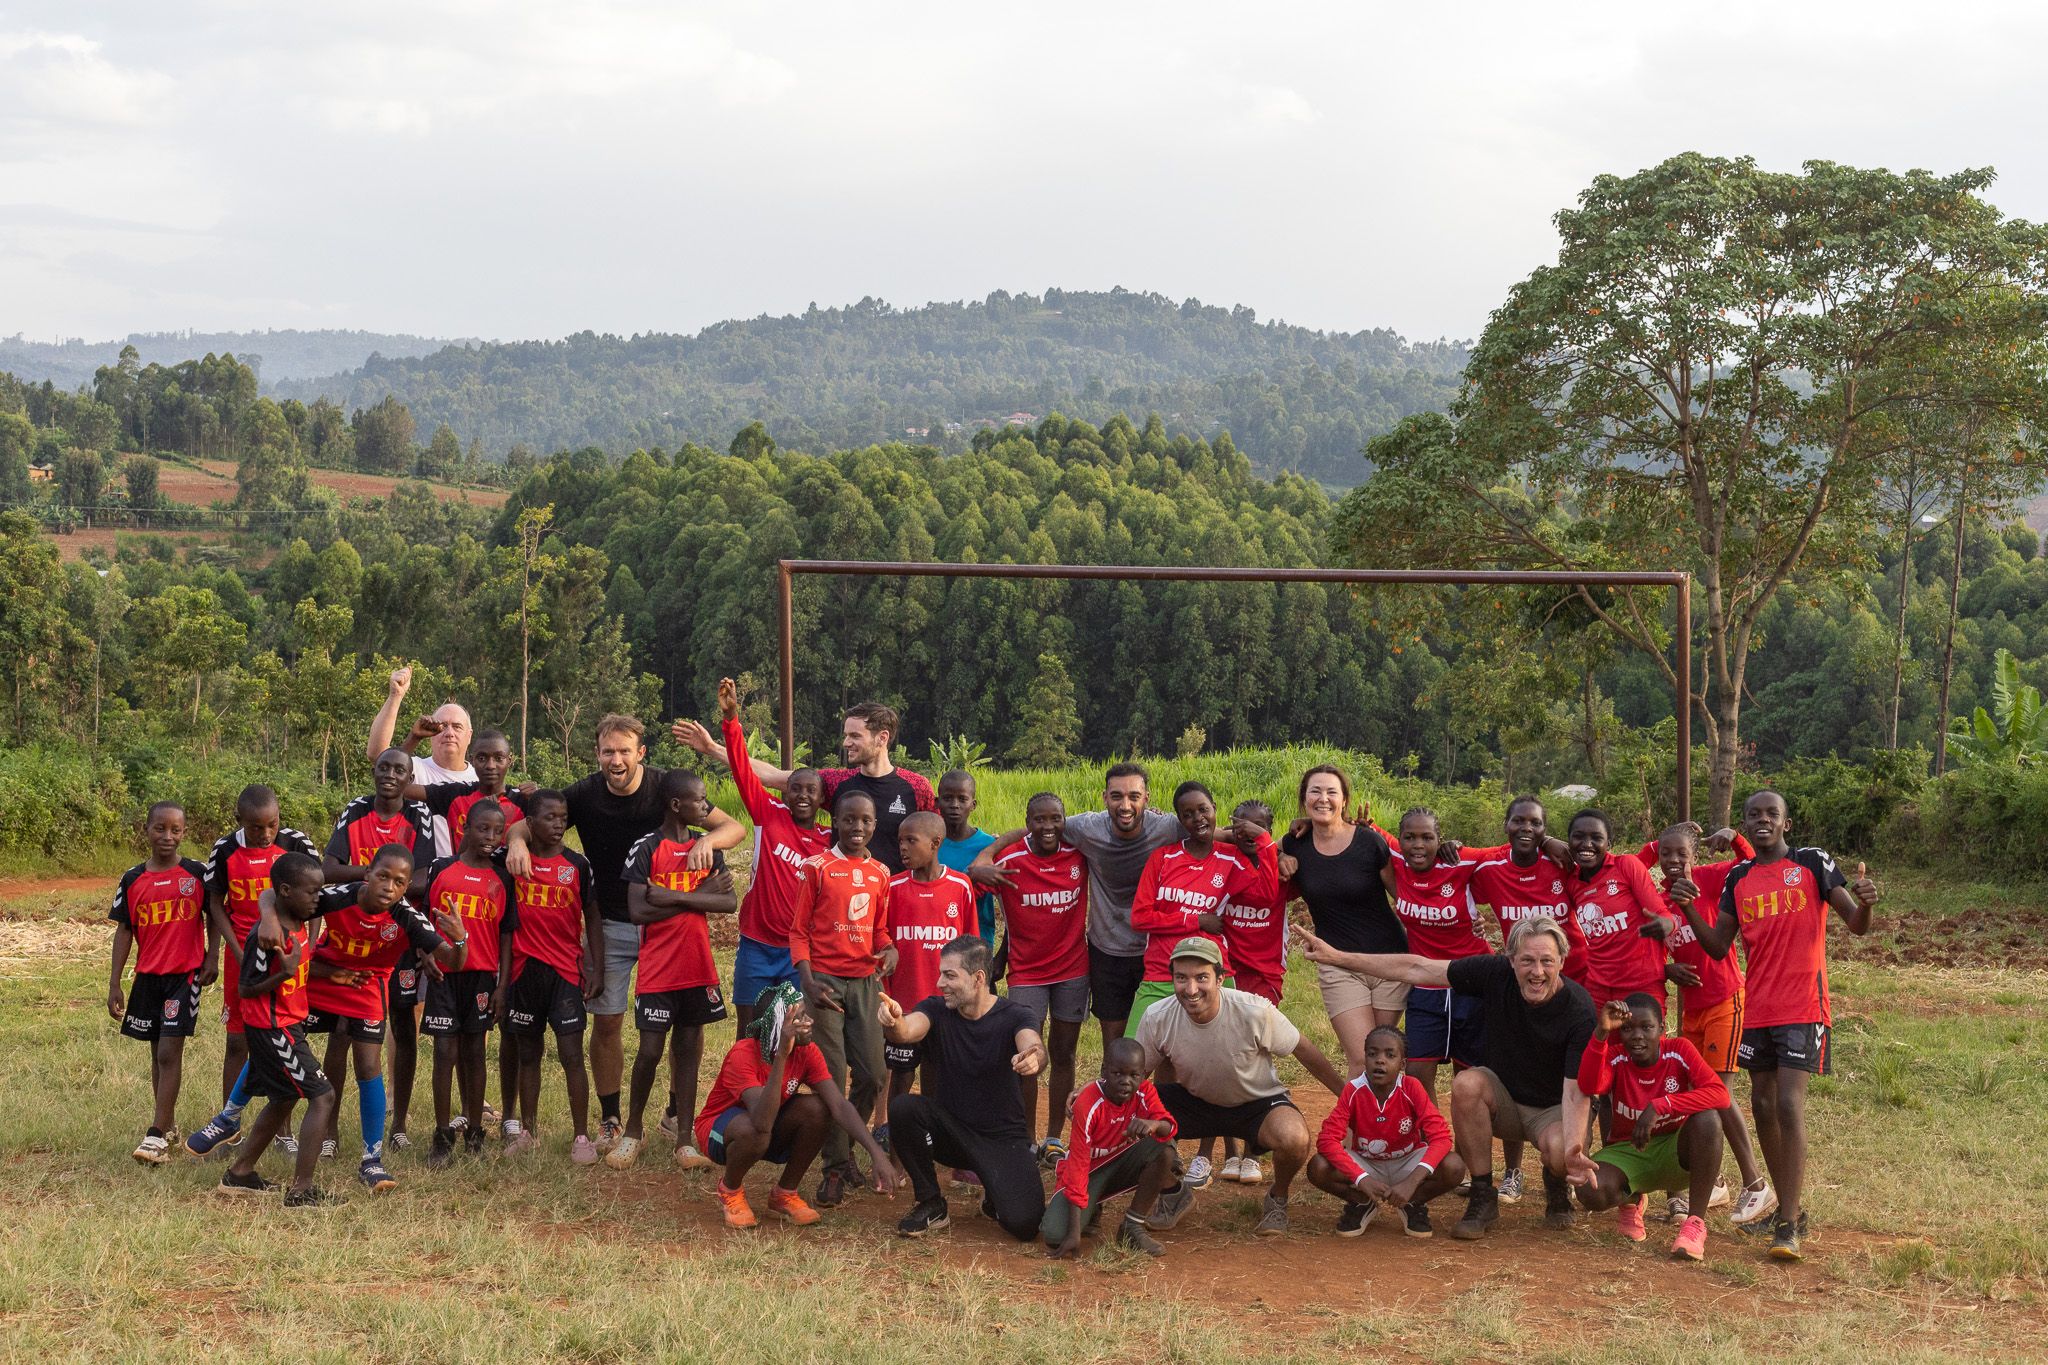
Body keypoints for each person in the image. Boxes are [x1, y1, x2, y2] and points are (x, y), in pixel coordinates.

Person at [504, 713, 744, 1151]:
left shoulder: (664, 789)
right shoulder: (584, 793)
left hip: (667, 926)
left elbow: (734, 825)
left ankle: (674, 1113)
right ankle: (612, 1117)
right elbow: (530, 821)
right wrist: (517, 843)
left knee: (682, 1019)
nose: (616, 760)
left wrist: (708, 841)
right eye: (608, 751)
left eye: (624, 751)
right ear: (597, 753)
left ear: (641, 754)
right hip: (611, 922)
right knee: (608, 1019)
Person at [1670, 789, 1881, 1261]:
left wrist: (1866, 903)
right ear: (1745, 823)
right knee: (1762, 1104)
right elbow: (1718, 946)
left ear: (1786, 823)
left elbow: (1856, 923)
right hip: (1758, 1009)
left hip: (1805, 1006)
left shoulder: (1811, 863)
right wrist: (1686, 908)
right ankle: (1788, 1206)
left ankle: (1787, 1224)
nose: (1762, 820)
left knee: (1788, 1102)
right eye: (1753, 815)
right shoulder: (1738, 878)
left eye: (1772, 814)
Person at [1298, 915, 1596, 1241]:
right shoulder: (1495, 974)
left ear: (1562, 962)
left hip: (1552, 1108)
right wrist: (1337, 958)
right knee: (1467, 1083)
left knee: (1562, 1152)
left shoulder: (1578, 1009)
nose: (1536, 972)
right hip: (1506, 1101)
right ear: (1511, 961)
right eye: (1527, 961)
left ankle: (1556, 1184)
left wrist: (1574, 1148)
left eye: (1546, 962)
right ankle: (1483, 1195)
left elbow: (1574, 1093)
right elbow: (1417, 969)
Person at [1135, 938, 1347, 1236]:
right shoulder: (1158, 1016)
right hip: (1195, 1100)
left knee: (1294, 1138)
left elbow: (1303, 1049)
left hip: (1256, 1102)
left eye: (1201, 977)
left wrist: (1347, 1094)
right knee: (1130, 1120)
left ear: (1220, 979)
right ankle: (1172, 1194)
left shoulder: (1254, 1010)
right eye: (1181, 978)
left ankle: (1278, 1197)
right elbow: (1136, 1074)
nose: (1191, 989)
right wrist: (1097, 1095)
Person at [973, 762, 1179, 1049]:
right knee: (1114, 1044)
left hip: (1153, 951)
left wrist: (1254, 840)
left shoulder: (1167, 827)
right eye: (1117, 796)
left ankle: (1152, 1096)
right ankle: (1110, 1094)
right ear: (1105, 797)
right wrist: (987, 853)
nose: (1125, 804)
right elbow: (1037, 826)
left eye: (1134, 796)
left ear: (1147, 798)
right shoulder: (1086, 827)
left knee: (1165, 1042)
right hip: (1106, 951)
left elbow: (1205, 831)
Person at [301, 845, 467, 1191]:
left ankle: (371, 1159)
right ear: (367, 875)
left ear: (406, 888)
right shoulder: (340, 896)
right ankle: (233, 1119)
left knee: (368, 1066)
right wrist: (274, 920)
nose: (389, 887)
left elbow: (453, 961)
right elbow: (280, 898)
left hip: (367, 986)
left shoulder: (406, 916)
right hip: (324, 976)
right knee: (281, 1039)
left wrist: (460, 937)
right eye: (383, 876)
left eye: (399, 882)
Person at [1644, 823, 1774, 1226]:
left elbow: (1751, 865)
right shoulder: (1658, 897)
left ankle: (1755, 1184)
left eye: (1681, 854)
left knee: (1716, 1092)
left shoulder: (1709, 879)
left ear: (1694, 856)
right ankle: (1714, 1180)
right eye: (1665, 855)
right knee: (1694, 1090)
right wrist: (1668, 970)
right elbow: (1649, 945)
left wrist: (1735, 837)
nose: (1674, 861)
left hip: (1724, 1000)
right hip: (1692, 1011)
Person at [1457, 794, 1582, 1204]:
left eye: (1537, 824)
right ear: (1506, 825)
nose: (1526, 829)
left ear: (1547, 829)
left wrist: (1552, 845)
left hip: (1570, 983)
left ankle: (1565, 1169)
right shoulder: (1493, 866)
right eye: (1518, 822)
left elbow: (1613, 866)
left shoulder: (1565, 865)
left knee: (1582, 1076)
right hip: (1522, 979)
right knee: (1506, 1069)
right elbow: (1450, 859)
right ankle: (1502, 1179)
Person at [881, 936, 1048, 1240]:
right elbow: (906, 1031)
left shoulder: (1015, 1015)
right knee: (904, 1108)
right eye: (940, 973)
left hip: (1001, 1140)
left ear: (979, 978)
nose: (939, 982)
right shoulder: (936, 1009)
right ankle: (931, 1202)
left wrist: (1033, 1057)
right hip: (950, 1135)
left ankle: (994, 1196)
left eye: (949, 975)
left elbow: (1032, 1043)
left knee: (1025, 1225)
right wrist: (893, 1022)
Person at [695, 983, 901, 1229]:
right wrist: (782, 1053)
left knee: (819, 1109)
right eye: (800, 1017)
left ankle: (785, 1193)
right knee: (754, 1130)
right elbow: (761, 1121)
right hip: (721, 1131)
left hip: (764, 1125)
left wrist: (876, 1153)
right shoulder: (743, 1054)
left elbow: (839, 1105)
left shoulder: (808, 1052)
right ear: (777, 1025)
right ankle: (730, 1189)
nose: (810, 1021)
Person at [614, 771, 739, 1170]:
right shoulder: (647, 847)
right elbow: (638, 909)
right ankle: (632, 1131)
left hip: (697, 965)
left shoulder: (707, 850)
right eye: (699, 801)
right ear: (675, 805)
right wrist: (698, 897)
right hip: (658, 967)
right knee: (649, 1051)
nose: (705, 807)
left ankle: (684, 1139)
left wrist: (671, 895)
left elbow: (728, 903)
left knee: (688, 1051)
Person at [689, 677, 830, 1032]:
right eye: (794, 788)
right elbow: (740, 769)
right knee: (749, 1027)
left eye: (810, 791)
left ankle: (787, 1087)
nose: (801, 795)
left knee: (796, 1030)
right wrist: (732, 720)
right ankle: (745, 1084)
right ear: (784, 793)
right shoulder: (768, 815)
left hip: (799, 951)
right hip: (756, 942)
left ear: (820, 799)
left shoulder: (831, 842)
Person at [323, 747, 438, 1151]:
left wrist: (378, 881)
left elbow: (422, 878)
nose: (390, 775)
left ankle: (399, 1123)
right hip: (353, 932)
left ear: (410, 778)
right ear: (373, 771)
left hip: (399, 934)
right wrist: (375, 877)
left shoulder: (418, 815)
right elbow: (326, 869)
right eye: (384, 767)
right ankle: (329, 1129)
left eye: (400, 770)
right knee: (340, 1031)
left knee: (403, 1026)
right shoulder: (355, 810)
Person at [788, 788, 894, 1206]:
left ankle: (847, 1146)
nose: (858, 828)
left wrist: (891, 949)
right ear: (836, 821)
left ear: (874, 825)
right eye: (849, 819)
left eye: (866, 821)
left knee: (873, 1073)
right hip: (825, 984)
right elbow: (798, 932)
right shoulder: (816, 867)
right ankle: (834, 1168)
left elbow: (880, 930)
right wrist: (808, 982)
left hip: (866, 983)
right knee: (829, 1075)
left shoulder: (881, 872)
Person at [681, 699, 934, 872]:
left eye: (855, 736)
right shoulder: (835, 782)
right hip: (843, 904)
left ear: (882, 738)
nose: (846, 743)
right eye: (846, 735)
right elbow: (771, 776)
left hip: (894, 899)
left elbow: (934, 842)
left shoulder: (917, 787)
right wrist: (713, 749)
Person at [218, 852, 341, 1206]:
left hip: (288, 1024)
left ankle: (239, 1173)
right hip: (274, 1029)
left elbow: (271, 897)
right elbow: (246, 988)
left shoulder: (294, 919)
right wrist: (282, 975)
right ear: (286, 891)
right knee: (323, 1096)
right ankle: (302, 1190)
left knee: (285, 1096)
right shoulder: (267, 935)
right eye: (312, 893)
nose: (318, 899)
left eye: (321, 891)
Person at [1568, 994, 1730, 1263]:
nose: (1637, 1036)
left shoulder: (1679, 1050)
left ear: (1662, 1028)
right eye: (1629, 1029)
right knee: (1589, 1189)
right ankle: (1631, 1200)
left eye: (1647, 1027)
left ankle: (1694, 1224)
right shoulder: (1616, 1057)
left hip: (1674, 1151)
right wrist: (1601, 1033)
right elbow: (1588, 1085)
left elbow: (1719, 1095)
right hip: (1627, 1151)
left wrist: (1662, 1105)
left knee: (1708, 1120)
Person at [198, 785, 316, 1141]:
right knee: (238, 1042)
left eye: (272, 825)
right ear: (239, 822)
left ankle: (283, 1131)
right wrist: (230, 951)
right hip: (244, 958)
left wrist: (307, 942)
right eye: (256, 828)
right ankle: (228, 1129)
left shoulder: (297, 844)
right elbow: (215, 904)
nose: (266, 834)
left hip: (288, 955)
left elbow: (317, 896)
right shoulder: (226, 849)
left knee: (285, 1040)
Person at [1277, 765, 1403, 1078]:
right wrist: (1281, 857)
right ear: (1304, 800)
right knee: (1362, 1059)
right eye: (1315, 791)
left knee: (1384, 1061)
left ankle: (1394, 1126)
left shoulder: (1369, 843)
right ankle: (1353, 1130)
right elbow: (1263, 849)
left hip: (1389, 961)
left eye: (1332, 792)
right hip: (1337, 964)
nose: (1323, 798)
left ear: (1344, 800)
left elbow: (1403, 897)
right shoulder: (1295, 843)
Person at [107, 801, 215, 1165]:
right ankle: (166, 1125)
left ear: (184, 832)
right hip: (147, 978)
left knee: (170, 1051)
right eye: (160, 829)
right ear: (146, 829)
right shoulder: (133, 878)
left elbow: (214, 915)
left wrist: (212, 956)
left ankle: (155, 1135)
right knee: (157, 1053)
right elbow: (124, 930)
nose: (167, 836)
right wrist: (114, 983)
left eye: (176, 830)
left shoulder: (198, 873)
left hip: (184, 977)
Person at [1126, 780, 1276, 1041]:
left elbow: (1266, 894)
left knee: (1227, 1054)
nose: (1198, 818)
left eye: (1203, 809)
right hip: (1162, 974)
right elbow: (1140, 918)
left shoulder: (1231, 859)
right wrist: (1195, 921)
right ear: (1180, 820)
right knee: (1133, 1054)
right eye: (1188, 814)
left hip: (1213, 975)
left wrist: (1264, 840)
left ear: (1214, 809)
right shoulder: (1163, 858)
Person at [502, 789, 603, 1163]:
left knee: (571, 1053)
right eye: (549, 817)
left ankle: (581, 1137)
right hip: (524, 971)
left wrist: (595, 967)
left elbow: (592, 917)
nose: (558, 823)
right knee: (528, 1053)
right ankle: (528, 1131)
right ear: (529, 824)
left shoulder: (577, 865)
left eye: (563, 817)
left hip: (566, 972)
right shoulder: (514, 863)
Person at [989, 793, 1090, 1155]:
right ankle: (1026, 1139)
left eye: (1056, 819)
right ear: (1027, 821)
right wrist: (1001, 952)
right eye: (1039, 820)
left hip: (1073, 969)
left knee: (1063, 1052)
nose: (1048, 827)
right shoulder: (1011, 858)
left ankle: (1053, 1137)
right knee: (1027, 1054)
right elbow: (975, 870)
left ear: (1065, 820)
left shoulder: (1080, 853)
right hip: (1026, 972)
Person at [420, 801, 519, 1167]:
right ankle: (442, 1134)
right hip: (444, 975)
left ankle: (475, 1131)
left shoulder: (502, 878)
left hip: (481, 977)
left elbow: (506, 937)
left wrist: (501, 987)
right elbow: (423, 921)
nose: (491, 837)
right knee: (445, 1053)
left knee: (475, 1053)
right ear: (465, 827)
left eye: (498, 831)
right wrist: (425, 954)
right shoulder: (442, 868)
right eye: (483, 829)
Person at [876, 812, 977, 1151]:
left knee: (937, 1075)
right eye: (900, 840)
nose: (902, 848)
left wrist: (969, 1000)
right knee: (901, 1076)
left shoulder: (960, 886)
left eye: (910, 841)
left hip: (944, 1007)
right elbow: (882, 940)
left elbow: (970, 947)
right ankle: (896, 1141)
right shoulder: (893, 888)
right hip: (904, 1006)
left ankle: (936, 1139)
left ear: (935, 844)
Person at [1307, 1026, 1466, 1238]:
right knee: (1318, 1167)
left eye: (1389, 1055)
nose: (1380, 1060)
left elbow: (1441, 1137)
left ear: (1402, 1064)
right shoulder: (1353, 1090)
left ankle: (1412, 1202)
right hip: (1367, 1163)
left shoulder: (1411, 1088)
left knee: (1454, 1166)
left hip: (1407, 1161)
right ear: (1365, 1058)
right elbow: (1327, 1140)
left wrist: (1412, 1183)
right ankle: (1361, 1201)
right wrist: (1362, 1179)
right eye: (1372, 1054)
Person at [1377, 808, 1490, 1094]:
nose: (1418, 845)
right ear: (1400, 841)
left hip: (1469, 981)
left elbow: (1510, 850)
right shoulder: (1397, 859)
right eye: (1410, 837)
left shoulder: (1460, 862)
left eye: (1427, 837)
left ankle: (1466, 1139)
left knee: (1468, 1075)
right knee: (1416, 1072)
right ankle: (1433, 1137)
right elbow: (1360, 829)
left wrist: (1549, 841)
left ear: (1440, 840)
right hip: (1425, 985)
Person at [1204, 798, 1286, 1184]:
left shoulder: (1281, 867)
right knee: (1220, 1057)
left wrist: (1274, 848)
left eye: (1259, 827)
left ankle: (1253, 1150)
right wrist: (1233, 834)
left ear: (1269, 830)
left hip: (1266, 973)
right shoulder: (1222, 862)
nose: (1249, 833)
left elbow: (1268, 894)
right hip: (1227, 970)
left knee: (1258, 1060)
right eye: (1242, 827)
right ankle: (1228, 1152)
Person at [1041, 1037, 1176, 1259]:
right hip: (1089, 1170)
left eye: (1134, 1075)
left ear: (1143, 1075)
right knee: (1055, 1235)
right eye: (1117, 1074)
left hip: (1120, 1162)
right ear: (1104, 1071)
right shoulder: (1088, 1104)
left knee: (1164, 1149)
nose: (1126, 1081)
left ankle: (1132, 1227)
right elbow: (1078, 1165)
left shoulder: (1145, 1092)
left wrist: (1154, 1124)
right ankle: (1092, 1206)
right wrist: (1074, 1234)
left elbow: (1169, 1126)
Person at [1563, 808, 1674, 1019]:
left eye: (1596, 838)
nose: (1587, 844)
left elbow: (1662, 914)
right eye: (1578, 837)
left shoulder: (1626, 866)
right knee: (1602, 1048)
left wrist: (1667, 925)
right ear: (1568, 842)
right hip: (1598, 988)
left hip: (1642, 983)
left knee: (1646, 1049)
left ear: (1609, 844)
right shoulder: (1571, 882)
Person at [368, 664, 477, 856]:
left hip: (463, 880)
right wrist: (396, 696)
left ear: (469, 736)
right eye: (442, 726)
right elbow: (378, 756)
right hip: (417, 876)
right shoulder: (415, 769)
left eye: (457, 727)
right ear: (432, 733)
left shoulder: (480, 780)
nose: (449, 733)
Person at [934, 769, 999, 945]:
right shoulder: (928, 844)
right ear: (937, 802)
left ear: (973, 804)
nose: (955, 805)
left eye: (962, 799)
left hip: (977, 940)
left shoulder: (988, 845)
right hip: (935, 938)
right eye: (948, 798)